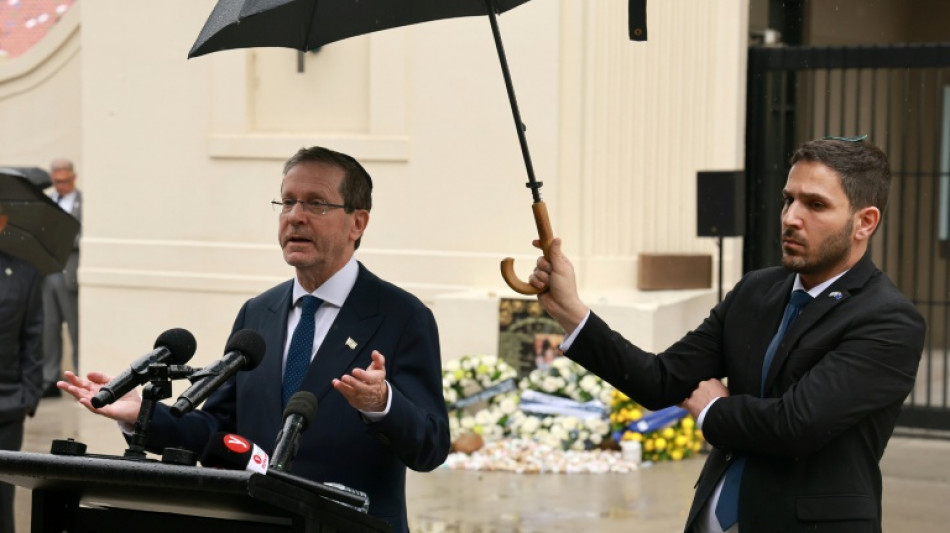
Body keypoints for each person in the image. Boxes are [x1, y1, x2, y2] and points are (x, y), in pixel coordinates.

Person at [528, 138, 925, 532]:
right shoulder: (756, 291)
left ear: (865, 222)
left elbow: (797, 424)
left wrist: (714, 411)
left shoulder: (888, 320)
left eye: (815, 205)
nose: (790, 217)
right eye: (789, 200)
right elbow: (660, 380)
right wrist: (571, 311)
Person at [60, 146, 451, 532]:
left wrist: (383, 404)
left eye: (316, 204)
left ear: (357, 223)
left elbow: (431, 446)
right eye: (287, 202)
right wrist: (142, 415)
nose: (295, 217)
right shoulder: (258, 313)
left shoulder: (401, 316)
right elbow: (218, 430)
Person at [0, 205, 44, 533]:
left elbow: (34, 338)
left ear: (3, 221)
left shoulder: (25, 274)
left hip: (7, 401)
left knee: (2, 495)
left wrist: (29, 395)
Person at [41, 157, 82, 397]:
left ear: (73, 178)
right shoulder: (48, 201)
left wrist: (61, 238)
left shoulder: (83, 202)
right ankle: (49, 379)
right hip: (50, 274)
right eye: (56, 182)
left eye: (64, 181)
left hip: (70, 274)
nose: (60, 186)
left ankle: (78, 377)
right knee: (49, 329)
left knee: (75, 329)